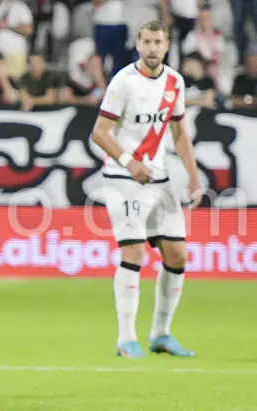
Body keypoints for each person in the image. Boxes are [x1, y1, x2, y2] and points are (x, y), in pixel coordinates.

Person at [91, 20, 203, 359]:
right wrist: (128, 161)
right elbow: (99, 132)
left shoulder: (174, 82)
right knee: (134, 252)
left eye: (159, 42)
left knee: (177, 256)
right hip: (123, 179)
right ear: (138, 44)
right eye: (147, 41)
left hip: (160, 179)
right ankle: (126, 339)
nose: (153, 47)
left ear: (166, 46)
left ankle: (161, 334)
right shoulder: (123, 82)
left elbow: (180, 134)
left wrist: (194, 178)